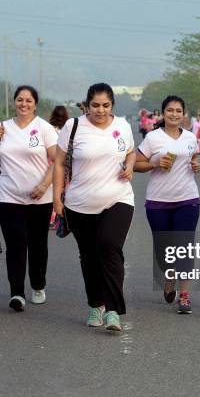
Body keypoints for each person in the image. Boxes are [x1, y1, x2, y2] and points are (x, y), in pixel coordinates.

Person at [53, 83, 135, 331]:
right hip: (80, 204)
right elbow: (58, 163)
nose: (100, 110)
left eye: (106, 105)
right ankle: (95, 305)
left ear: (113, 106)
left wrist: (130, 165)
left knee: (110, 246)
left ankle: (113, 311)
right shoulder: (74, 126)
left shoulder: (122, 126)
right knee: (89, 256)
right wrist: (57, 198)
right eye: (95, 105)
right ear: (86, 105)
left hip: (118, 198)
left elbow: (130, 152)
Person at [0, 85, 58, 311]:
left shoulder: (44, 128)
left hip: (40, 197)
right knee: (15, 245)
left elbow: (56, 161)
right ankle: (17, 292)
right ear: (14, 102)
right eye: (20, 100)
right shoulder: (2, 128)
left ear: (35, 104)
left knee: (37, 244)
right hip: (8, 196)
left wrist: (44, 185)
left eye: (28, 100)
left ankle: (38, 285)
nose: (23, 104)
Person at [134, 95, 200, 314]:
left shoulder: (191, 137)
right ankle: (168, 275)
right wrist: (154, 162)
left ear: (184, 114)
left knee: (185, 248)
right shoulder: (153, 138)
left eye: (178, 111)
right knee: (164, 252)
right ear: (163, 113)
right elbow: (136, 163)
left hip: (187, 199)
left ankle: (184, 296)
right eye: (170, 110)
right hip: (158, 202)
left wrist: (195, 166)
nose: (174, 114)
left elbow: (193, 159)